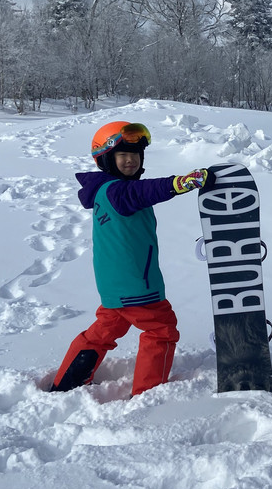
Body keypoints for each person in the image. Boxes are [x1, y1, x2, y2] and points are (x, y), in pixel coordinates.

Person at [49, 121, 209, 396]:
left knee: (104, 331)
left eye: (135, 155)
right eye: (122, 155)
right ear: (105, 160)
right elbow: (146, 191)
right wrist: (182, 183)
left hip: (115, 285)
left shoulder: (104, 190)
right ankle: (148, 393)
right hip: (136, 283)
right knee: (162, 330)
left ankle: (65, 384)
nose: (130, 161)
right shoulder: (118, 192)